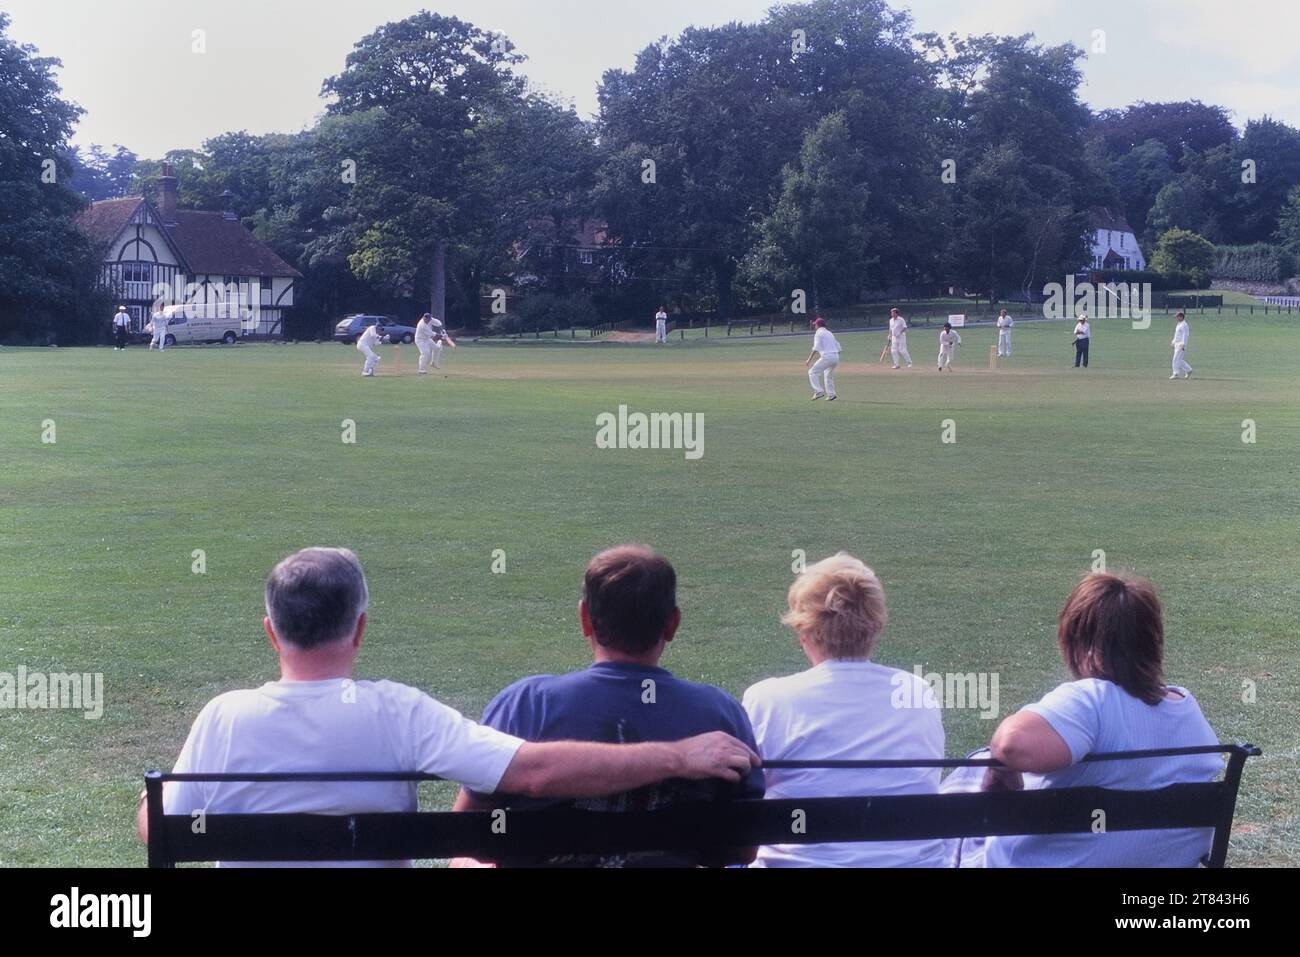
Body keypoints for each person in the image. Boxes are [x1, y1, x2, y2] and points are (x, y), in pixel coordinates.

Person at [135, 547, 758, 868]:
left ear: (271, 633)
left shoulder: (224, 716)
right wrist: (678, 755)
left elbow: (156, 826)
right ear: (359, 630)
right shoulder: (399, 712)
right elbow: (532, 772)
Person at [453, 545, 765, 867]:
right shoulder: (720, 714)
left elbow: (469, 833)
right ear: (672, 624)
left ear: (585, 619)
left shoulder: (525, 704)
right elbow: (739, 851)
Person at [982, 573, 1223, 868]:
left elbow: (1011, 746)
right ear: (1151, 640)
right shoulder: (1188, 709)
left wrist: (999, 771)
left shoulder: (1092, 701)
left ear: (1080, 643)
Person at [742, 554, 947, 868]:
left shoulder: (767, 698)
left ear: (804, 633)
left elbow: (747, 804)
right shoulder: (916, 690)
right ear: (875, 625)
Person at [805, 317, 841, 401]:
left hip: (827, 356)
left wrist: (809, 360)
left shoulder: (818, 333)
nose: (814, 327)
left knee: (812, 372)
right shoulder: (829, 332)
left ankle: (818, 391)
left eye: (815, 325)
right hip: (836, 356)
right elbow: (838, 346)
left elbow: (816, 348)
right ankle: (831, 395)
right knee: (828, 375)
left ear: (818, 325)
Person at [1171, 313, 1194, 380]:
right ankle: (1189, 370)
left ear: (1181, 317)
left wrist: (1183, 344)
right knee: (1179, 360)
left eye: (1177, 317)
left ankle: (1176, 373)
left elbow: (1185, 335)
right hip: (1177, 344)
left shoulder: (1184, 325)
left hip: (1181, 344)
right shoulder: (1178, 324)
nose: (1176, 318)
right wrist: (1173, 342)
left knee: (1175, 359)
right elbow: (1176, 335)